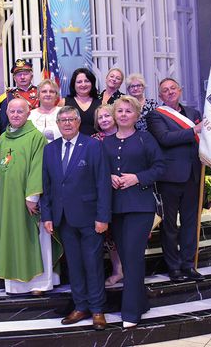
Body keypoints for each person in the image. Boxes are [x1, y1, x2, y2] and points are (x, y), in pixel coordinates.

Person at [0, 98, 61, 295]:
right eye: (12, 111)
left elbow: (38, 168)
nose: (15, 115)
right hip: (8, 200)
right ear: (6, 113)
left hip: (28, 202)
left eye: (20, 111)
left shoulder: (35, 137)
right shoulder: (4, 138)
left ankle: (40, 283)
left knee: (34, 240)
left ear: (28, 113)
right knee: (12, 239)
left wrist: (32, 197)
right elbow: (2, 168)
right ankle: (15, 285)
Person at [41, 106, 112, 331]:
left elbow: (103, 183)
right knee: (74, 265)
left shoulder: (93, 145)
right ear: (58, 124)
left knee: (93, 264)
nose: (67, 123)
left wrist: (103, 217)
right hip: (63, 219)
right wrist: (47, 216)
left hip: (90, 218)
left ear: (79, 122)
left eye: (71, 119)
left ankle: (97, 309)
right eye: (62, 120)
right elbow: (47, 186)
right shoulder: (50, 149)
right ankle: (80, 306)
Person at [102, 96, 165, 328]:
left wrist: (138, 177)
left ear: (137, 115)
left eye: (128, 111)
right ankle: (141, 303)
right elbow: (99, 171)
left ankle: (130, 312)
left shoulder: (145, 138)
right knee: (127, 258)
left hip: (140, 206)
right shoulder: (106, 143)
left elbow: (160, 167)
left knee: (133, 256)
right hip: (116, 207)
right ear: (114, 114)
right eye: (120, 111)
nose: (123, 114)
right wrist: (108, 176)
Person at [146, 78, 205, 282]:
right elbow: (165, 139)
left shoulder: (194, 113)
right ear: (160, 96)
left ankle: (188, 264)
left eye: (173, 88)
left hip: (193, 175)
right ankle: (174, 267)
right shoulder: (155, 115)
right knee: (169, 226)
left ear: (180, 90)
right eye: (165, 90)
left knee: (190, 223)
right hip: (169, 177)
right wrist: (194, 130)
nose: (170, 92)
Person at [92, 104, 122, 287]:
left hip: (129, 190)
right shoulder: (94, 140)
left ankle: (133, 270)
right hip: (105, 193)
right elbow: (91, 167)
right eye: (100, 117)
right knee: (111, 236)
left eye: (107, 116)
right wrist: (108, 176)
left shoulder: (129, 134)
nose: (104, 120)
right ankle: (118, 270)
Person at [0, 59, 40, 132]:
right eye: (19, 74)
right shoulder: (8, 96)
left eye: (25, 74)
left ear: (31, 76)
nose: (22, 77)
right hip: (17, 133)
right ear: (14, 78)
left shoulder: (41, 92)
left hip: (39, 131)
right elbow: (4, 124)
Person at [59, 68, 101, 136]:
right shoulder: (63, 103)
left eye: (87, 81)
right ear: (74, 84)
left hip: (95, 141)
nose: (83, 84)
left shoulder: (101, 104)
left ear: (92, 83)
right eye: (79, 82)